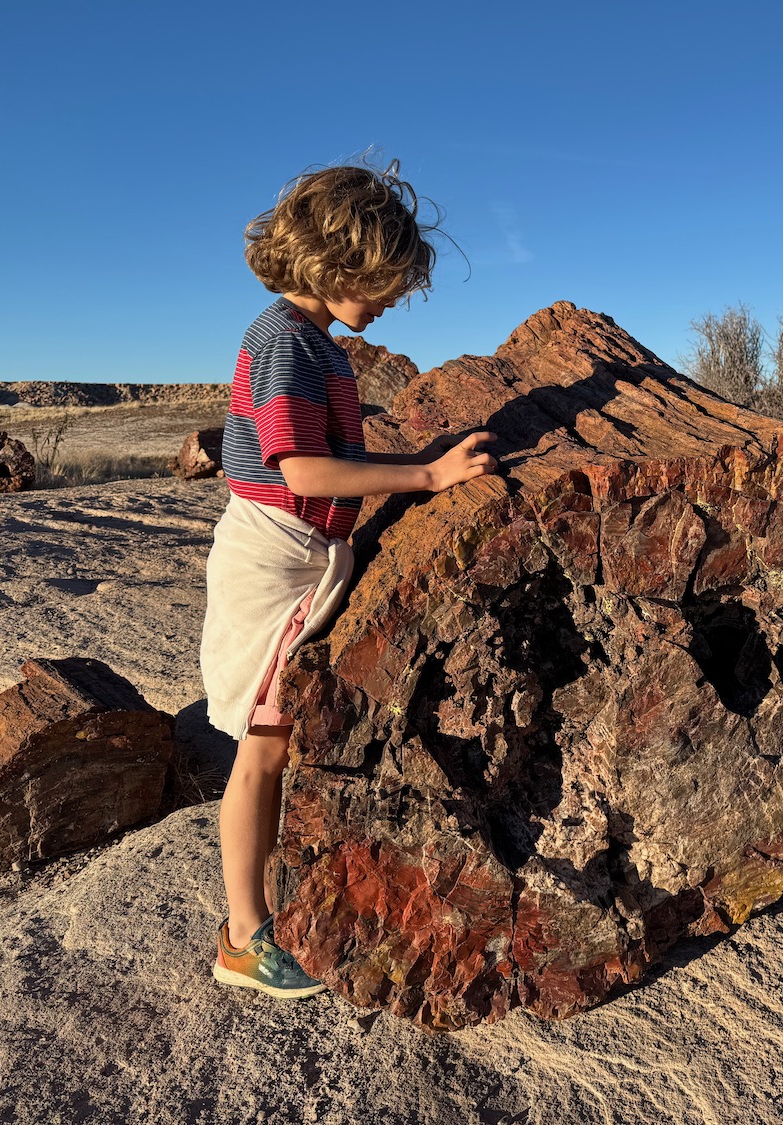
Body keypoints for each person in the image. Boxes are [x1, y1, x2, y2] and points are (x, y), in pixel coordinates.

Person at [201, 160, 497, 999]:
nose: (394, 299)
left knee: (284, 733)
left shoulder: (314, 345)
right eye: (384, 282)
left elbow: (337, 463)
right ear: (334, 266)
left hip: (303, 551)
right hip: (274, 554)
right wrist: (428, 480)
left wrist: (426, 465)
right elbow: (304, 470)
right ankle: (244, 934)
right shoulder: (285, 343)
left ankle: (262, 909)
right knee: (261, 746)